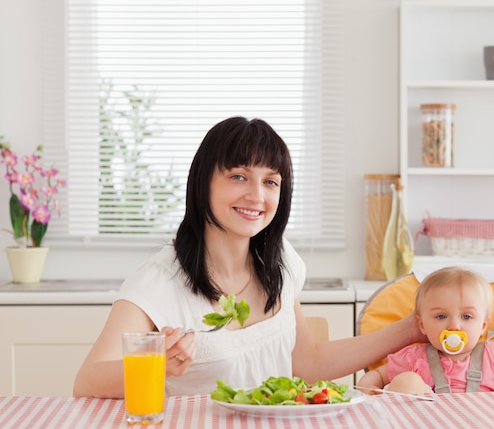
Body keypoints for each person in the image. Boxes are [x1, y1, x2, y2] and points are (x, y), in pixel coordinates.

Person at [73, 116, 423, 398]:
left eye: (271, 182)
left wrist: (411, 328)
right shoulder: (159, 280)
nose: (256, 195)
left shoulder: (280, 260)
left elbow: (307, 365)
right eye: (238, 176)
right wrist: (157, 363)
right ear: (202, 183)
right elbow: (86, 382)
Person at [357, 266, 494, 394]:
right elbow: (377, 376)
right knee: (406, 381)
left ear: (483, 325)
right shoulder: (414, 358)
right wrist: (368, 395)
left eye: (466, 317)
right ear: (422, 325)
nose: (454, 325)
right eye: (441, 316)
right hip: (429, 422)